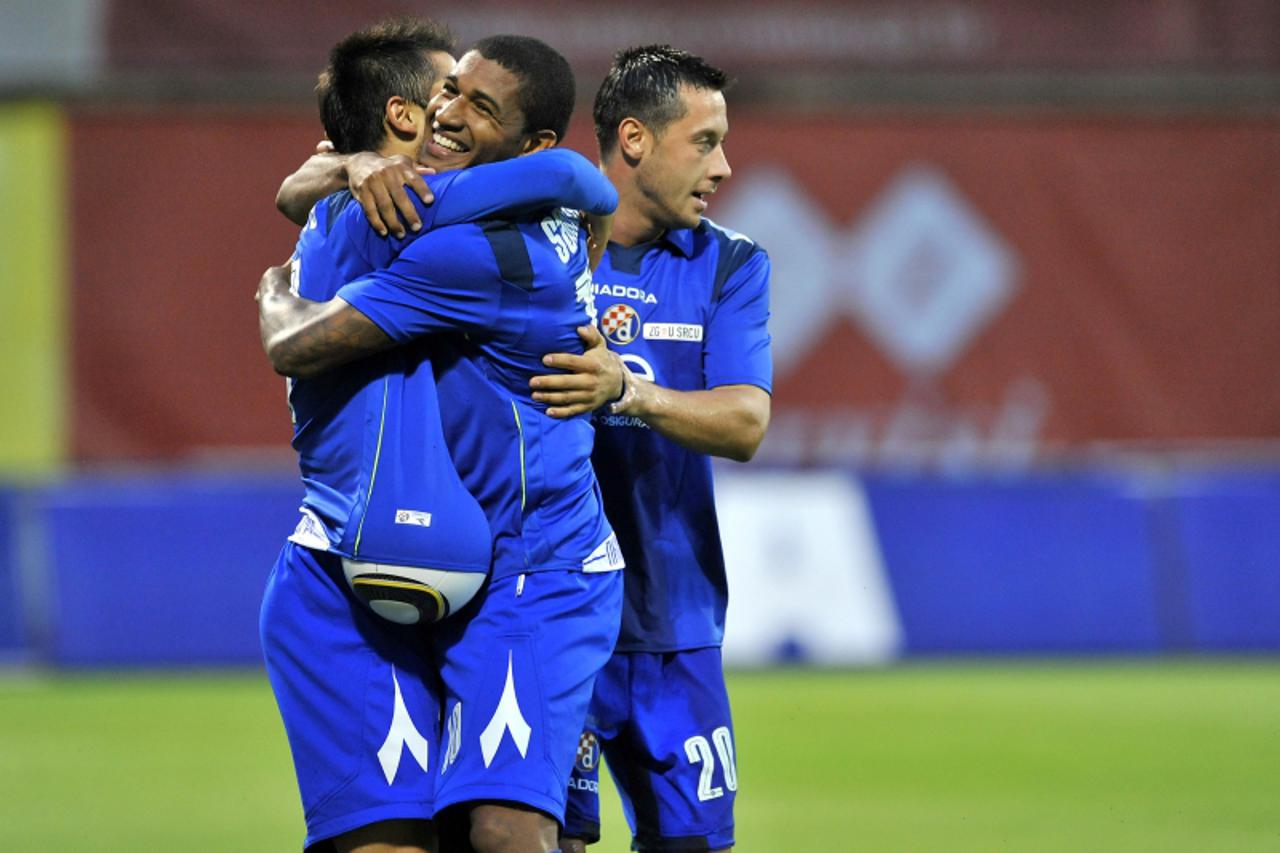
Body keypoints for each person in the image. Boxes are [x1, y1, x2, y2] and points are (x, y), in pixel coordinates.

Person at [259, 35, 626, 853]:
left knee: (505, 831)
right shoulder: (355, 212)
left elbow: (293, 344)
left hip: (529, 568)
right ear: (403, 112)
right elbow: (581, 181)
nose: (449, 112)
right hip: (374, 559)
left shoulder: (460, 239)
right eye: (448, 90)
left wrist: (271, 293)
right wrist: (340, 170)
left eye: (477, 105)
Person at [530, 46, 773, 853]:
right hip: (555, 616)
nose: (726, 166)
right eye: (705, 142)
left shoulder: (730, 264)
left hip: (677, 623)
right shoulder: (539, 250)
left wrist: (626, 391)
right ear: (634, 139)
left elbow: (745, 420)